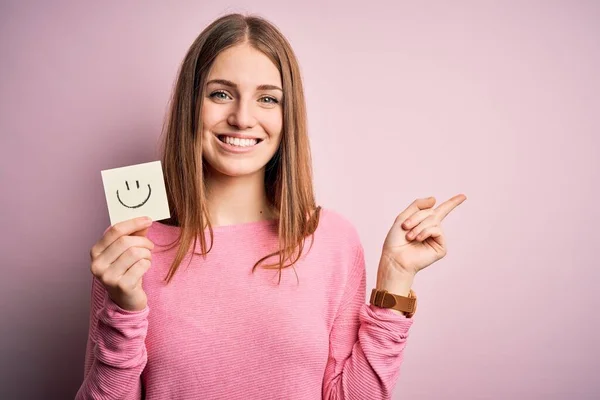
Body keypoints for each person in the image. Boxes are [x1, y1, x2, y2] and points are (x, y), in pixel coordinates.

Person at [76, 12, 466, 400]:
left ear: (287, 115)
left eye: (267, 98)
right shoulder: (132, 249)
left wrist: (395, 280)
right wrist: (123, 313)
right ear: (190, 106)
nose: (243, 118)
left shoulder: (332, 241)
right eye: (221, 94)